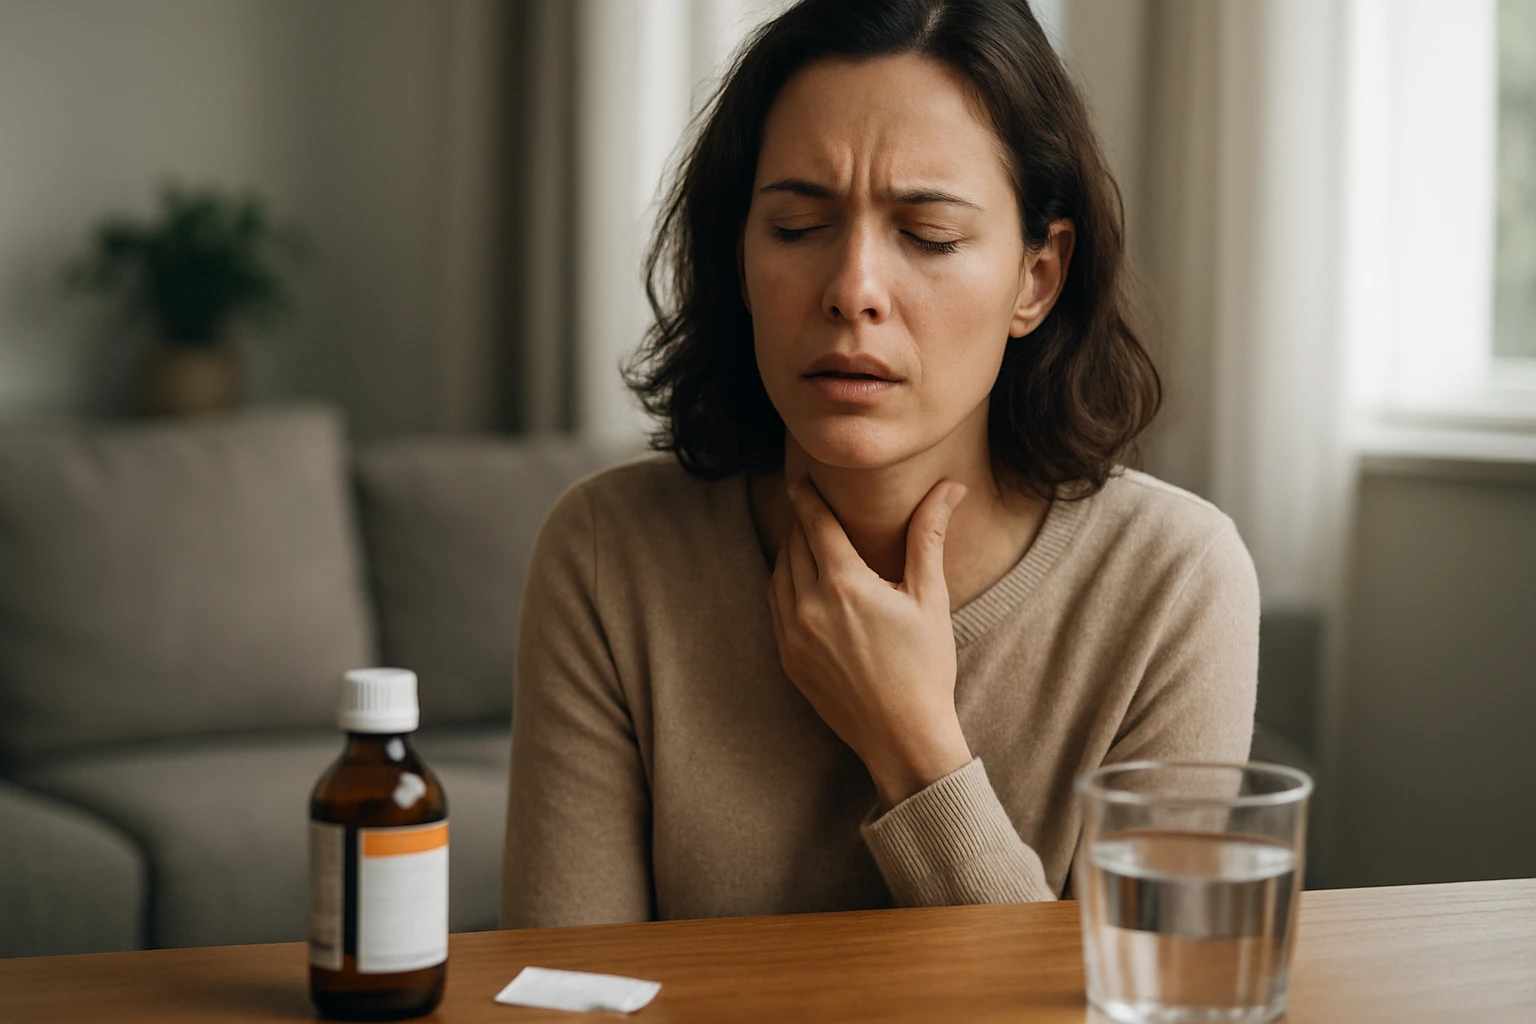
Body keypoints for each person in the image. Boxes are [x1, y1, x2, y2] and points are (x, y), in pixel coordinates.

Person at [500, 0, 1258, 927]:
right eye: (795, 227)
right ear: (740, 260)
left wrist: (914, 747)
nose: (853, 290)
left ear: (1037, 278)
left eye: (928, 235)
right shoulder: (606, 553)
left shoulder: (1175, 581)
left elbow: (1142, 989)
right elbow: (563, 986)